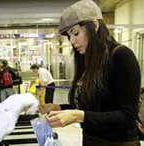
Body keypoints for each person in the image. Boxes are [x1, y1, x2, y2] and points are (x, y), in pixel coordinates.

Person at [39, 0, 141, 145]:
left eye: (75, 33)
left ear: (94, 25)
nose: (72, 41)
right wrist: (60, 108)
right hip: (90, 140)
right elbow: (93, 108)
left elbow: (127, 116)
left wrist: (78, 116)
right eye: (69, 36)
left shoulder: (121, 56)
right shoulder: (87, 61)